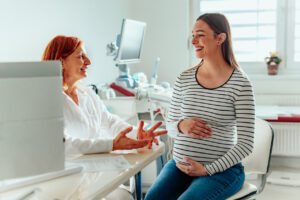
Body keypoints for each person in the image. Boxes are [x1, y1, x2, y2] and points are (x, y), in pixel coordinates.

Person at [145, 13, 255, 200]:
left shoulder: (240, 84)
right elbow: (170, 125)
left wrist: (207, 170)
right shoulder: (184, 78)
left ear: (220, 38)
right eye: (193, 35)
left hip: (222, 171)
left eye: (201, 35)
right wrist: (181, 125)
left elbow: (246, 144)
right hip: (180, 166)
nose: (194, 40)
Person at [42, 35, 167, 199]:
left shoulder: (85, 92)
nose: (88, 62)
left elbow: (109, 121)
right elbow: (64, 145)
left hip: (94, 175)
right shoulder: (48, 99)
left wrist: (137, 134)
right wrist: (112, 144)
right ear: (61, 62)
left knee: (125, 197)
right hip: (68, 183)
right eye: (80, 56)